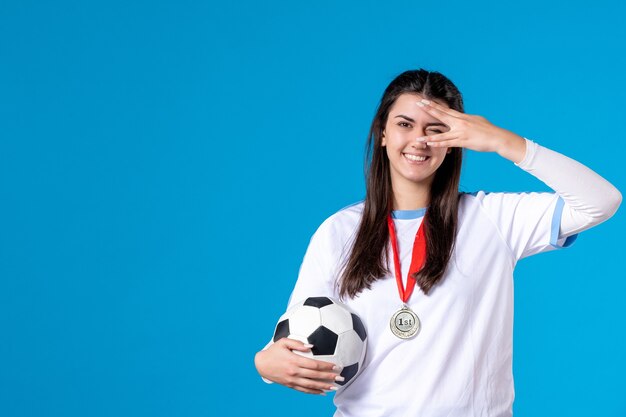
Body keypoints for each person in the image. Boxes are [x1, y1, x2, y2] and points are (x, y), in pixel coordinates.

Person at [253, 69, 622, 417]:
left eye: (436, 129)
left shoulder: (492, 218)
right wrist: (265, 364)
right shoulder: (339, 231)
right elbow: (296, 338)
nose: (419, 140)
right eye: (404, 125)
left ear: (453, 143)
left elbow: (602, 201)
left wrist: (503, 142)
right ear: (382, 133)